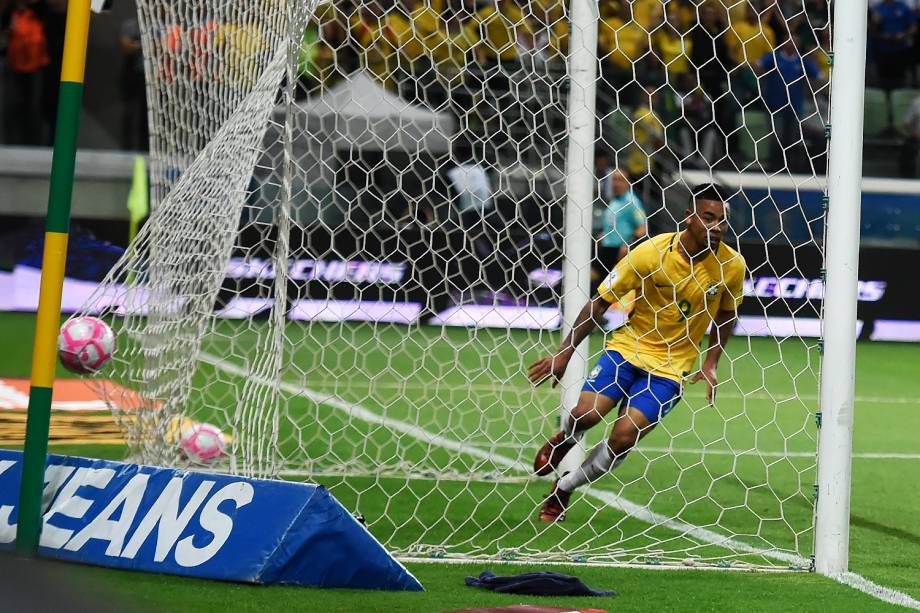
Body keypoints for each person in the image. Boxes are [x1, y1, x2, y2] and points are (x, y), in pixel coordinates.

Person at [527, 184, 746, 522]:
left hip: (671, 368)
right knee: (587, 415)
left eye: (721, 221)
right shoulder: (650, 253)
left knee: (623, 436)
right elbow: (599, 302)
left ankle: (565, 488)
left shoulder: (731, 265)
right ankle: (566, 439)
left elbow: (728, 314)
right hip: (629, 348)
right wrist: (564, 353)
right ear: (688, 217)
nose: (716, 227)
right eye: (708, 218)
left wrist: (712, 361)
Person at [593, 168, 647, 281]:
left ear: (628, 182)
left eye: (620, 180)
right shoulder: (615, 200)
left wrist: (628, 245)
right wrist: (604, 234)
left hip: (619, 252)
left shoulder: (632, 202)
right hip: (606, 249)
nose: (615, 183)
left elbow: (642, 228)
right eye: (614, 180)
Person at [870, 0, 916, 91]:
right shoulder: (878, 8)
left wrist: (904, 35)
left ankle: (900, 98)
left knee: (901, 78)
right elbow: (872, 31)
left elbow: (913, 27)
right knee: (883, 79)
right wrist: (876, 23)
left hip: (900, 49)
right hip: (883, 50)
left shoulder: (903, 7)